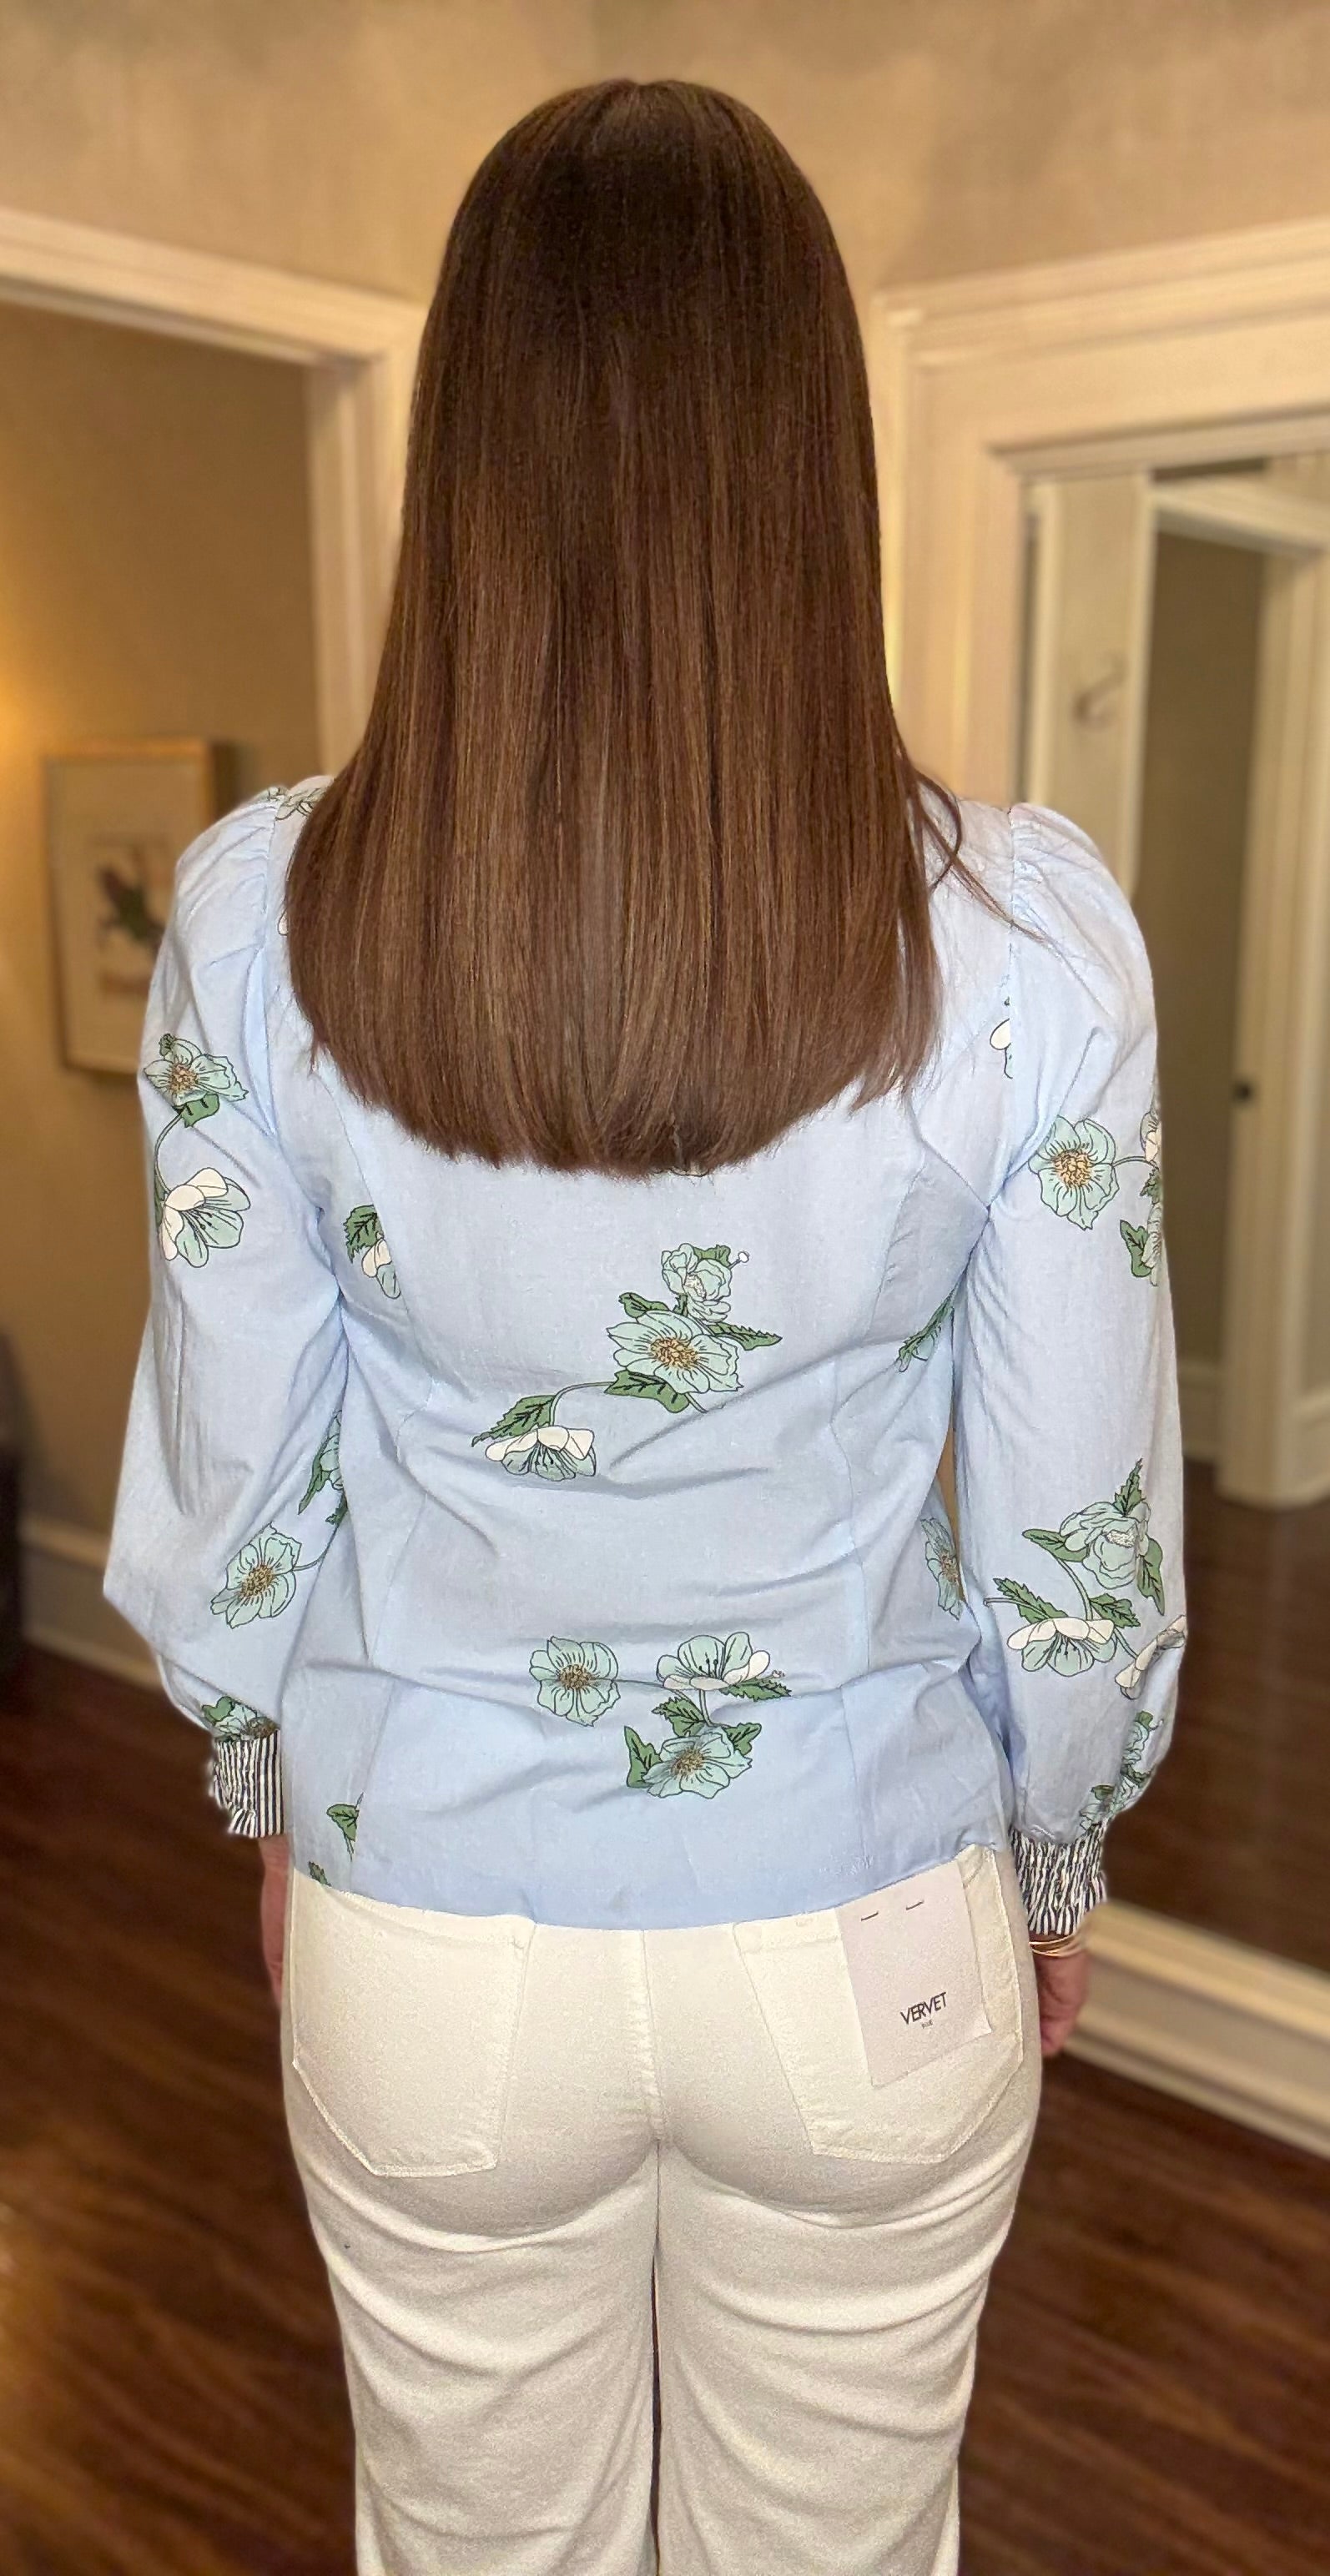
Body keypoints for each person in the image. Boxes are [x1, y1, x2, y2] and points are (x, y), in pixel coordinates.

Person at [106, 76, 1185, 2576]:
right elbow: (1074, 1542)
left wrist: (272, 1800)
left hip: (427, 1931)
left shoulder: (261, 919)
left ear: (465, 449)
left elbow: (237, 1485)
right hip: (865, 1932)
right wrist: (1048, 1862)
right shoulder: (1025, 940)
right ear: (814, 455)